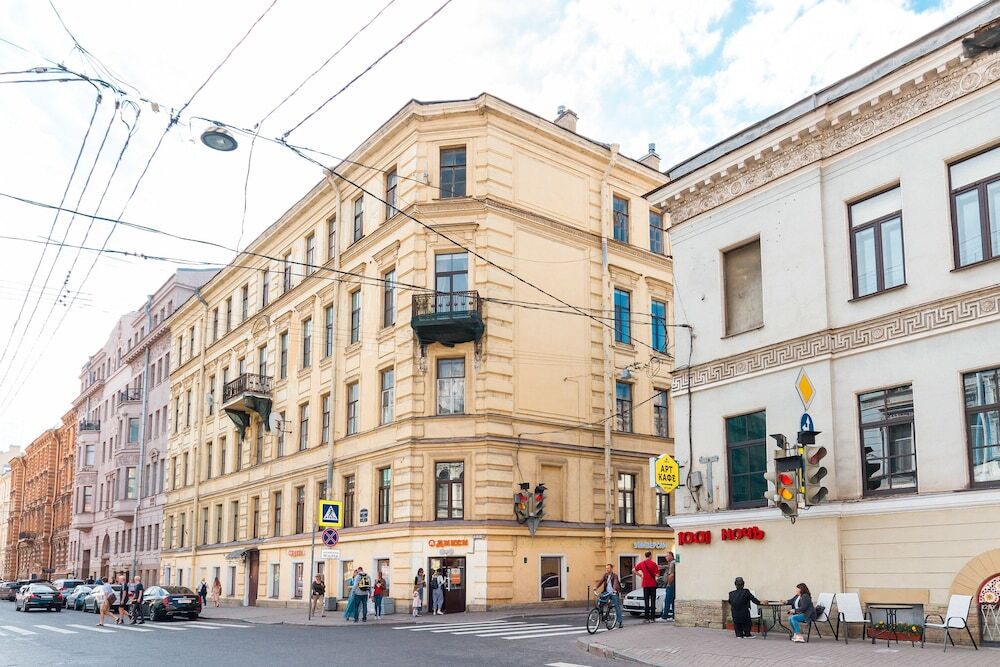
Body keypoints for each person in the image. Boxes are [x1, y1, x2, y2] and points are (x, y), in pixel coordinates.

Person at [594, 563, 623, 628]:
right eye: (606, 568)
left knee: (617, 606)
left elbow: (615, 582)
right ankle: (602, 616)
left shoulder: (615, 575)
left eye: (608, 568)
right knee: (600, 601)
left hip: (613, 593)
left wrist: (614, 589)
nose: (607, 569)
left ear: (611, 569)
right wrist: (596, 587)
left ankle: (620, 622)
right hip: (606, 592)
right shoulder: (605, 575)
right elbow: (601, 581)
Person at [633, 551, 660, 623]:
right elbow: (657, 575)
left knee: (646, 601)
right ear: (650, 556)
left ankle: (646, 618)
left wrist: (640, 575)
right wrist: (654, 574)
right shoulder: (654, 564)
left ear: (645, 556)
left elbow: (633, 570)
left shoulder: (642, 563)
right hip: (653, 585)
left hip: (645, 584)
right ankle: (652, 618)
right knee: (653, 601)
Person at [659, 552, 676, 621]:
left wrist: (668, 583)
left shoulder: (672, 563)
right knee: (673, 601)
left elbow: (671, 575)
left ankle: (664, 617)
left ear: (671, 556)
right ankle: (674, 616)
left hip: (671, 584)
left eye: (667, 556)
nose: (666, 557)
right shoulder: (672, 563)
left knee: (667, 600)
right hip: (673, 584)